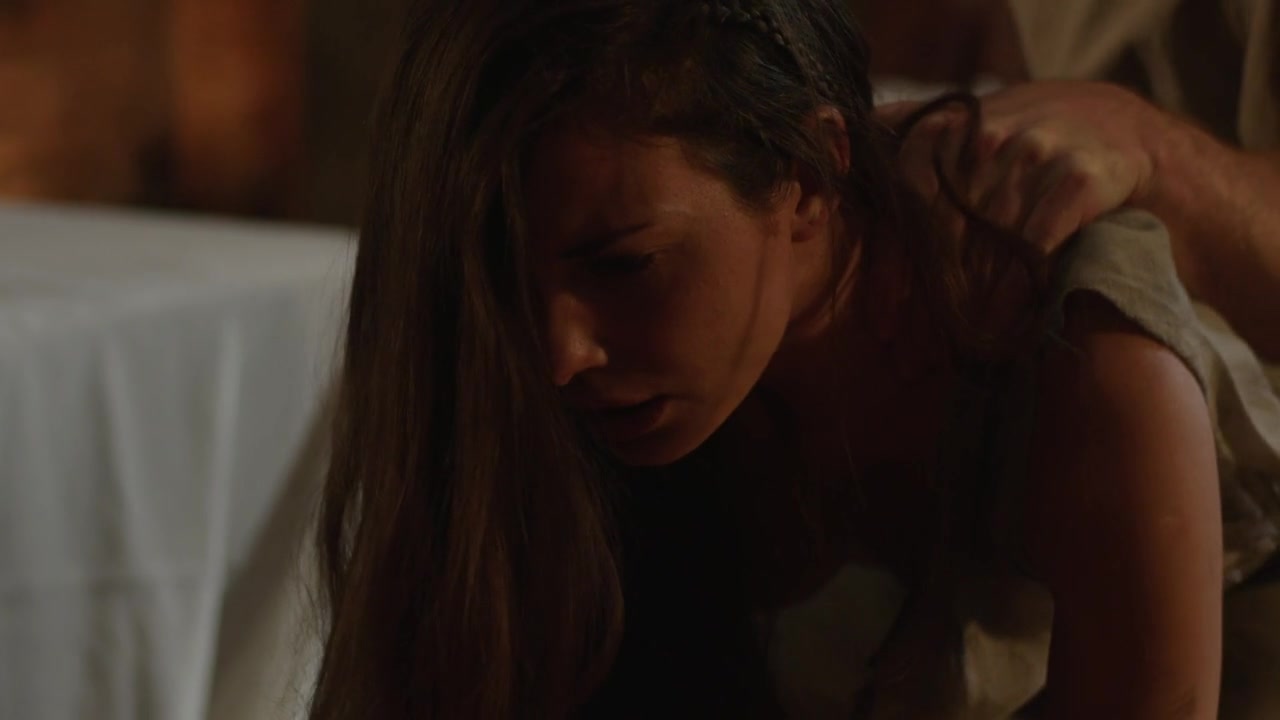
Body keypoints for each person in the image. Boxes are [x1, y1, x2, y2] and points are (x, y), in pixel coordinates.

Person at [308, 1, 1280, 718]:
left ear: (810, 179)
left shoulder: (1082, 346)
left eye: (625, 264)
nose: (561, 353)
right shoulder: (541, 359)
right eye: (507, 282)